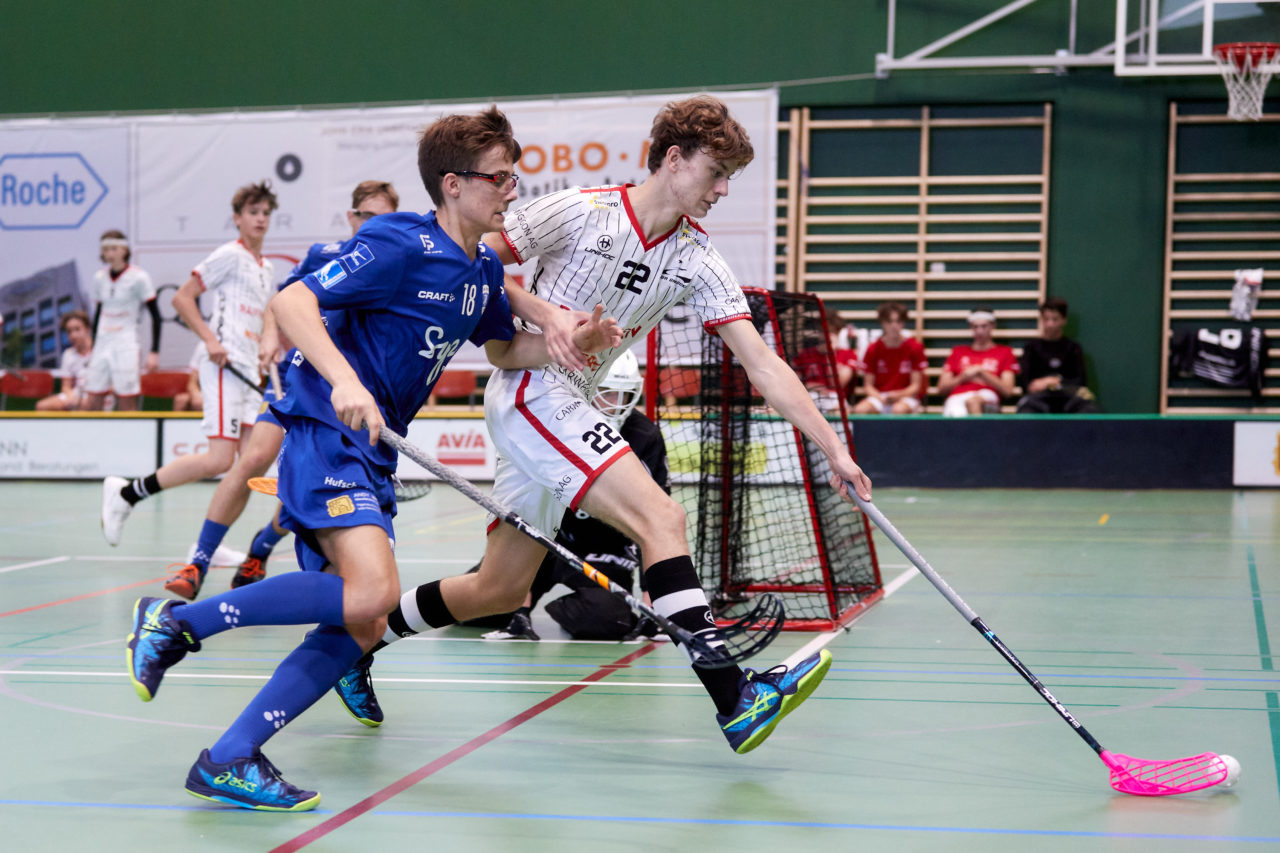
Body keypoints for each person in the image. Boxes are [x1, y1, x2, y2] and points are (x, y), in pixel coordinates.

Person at [337, 95, 870, 756]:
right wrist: (548, 317)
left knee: (498, 587)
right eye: (716, 171)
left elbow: (763, 364)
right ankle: (734, 696)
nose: (724, 188)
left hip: (571, 405)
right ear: (673, 159)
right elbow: (467, 255)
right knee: (662, 520)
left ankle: (354, 642)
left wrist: (834, 452)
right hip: (534, 392)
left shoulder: (699, 260)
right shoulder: (582, 212)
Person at [124, 106, 619, 812]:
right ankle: (174, 623)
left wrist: (580, 342)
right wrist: (345, 378)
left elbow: (506, 349)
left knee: (358, 625)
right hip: (330, 431)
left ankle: (230, 755)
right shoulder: (398, 242)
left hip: (373, 453)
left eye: (516, 176)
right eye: (500, 178)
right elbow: (296, 302)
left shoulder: (478, 269)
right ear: (453, 184)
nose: (513, 190)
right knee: (373, 600)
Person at [166, 180, 403, 600]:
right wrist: (269, 335)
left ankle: (260, 548)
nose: (373, 224)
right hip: (298, 379)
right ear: (352, 218)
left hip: (346, 398)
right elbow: (283, 299)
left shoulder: (399, 269)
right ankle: (197, 562)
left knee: (304, 482)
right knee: (254, 456)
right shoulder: (324, 255)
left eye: (384, 218)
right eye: (366, 216)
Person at [99, 182, 280, 573]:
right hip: (222, 364)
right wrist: (211, 341)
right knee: (220, 457)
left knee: (251, 465)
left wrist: (268, 345)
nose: (261, 219)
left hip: (250, 370)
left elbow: (268, 315)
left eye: (266, 212)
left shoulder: (266, 269)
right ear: (237, 218)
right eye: (253, 212)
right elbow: (181, 297)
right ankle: (127, 493)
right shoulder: (229, 255)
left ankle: (207, 546)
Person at [82, 230, 160, 412]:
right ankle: (90, 439)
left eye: (114, 249)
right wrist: (93, 345)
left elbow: (156, 316)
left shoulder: (139, 277)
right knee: (92, 398)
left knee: (126, 398)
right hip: (102, 343)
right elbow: (99, 312)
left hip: (126, 343)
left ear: (124, 250)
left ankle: (130, 439)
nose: (109, 253)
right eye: (106, 249)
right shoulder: (99, 278)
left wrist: (154, 351)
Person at [1016, 298, 1100, 414]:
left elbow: (1081, 381)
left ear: (1064, 320)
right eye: (1046, 319)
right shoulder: (1031, 348)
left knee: (1091, 410)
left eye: (1055, 319)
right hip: (1039, 400)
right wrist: (1040, 383)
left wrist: (1056, 381)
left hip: (1069, 398)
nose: (1050, 324)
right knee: (1026, 412)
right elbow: (1024, 382)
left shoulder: (1073, 348)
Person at [937, 306, 1018, 417]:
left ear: (993, 326)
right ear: (970, 327)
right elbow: (941, 389)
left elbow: (1008, 391)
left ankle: (978, 432)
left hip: (987, 396)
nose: (979, 331)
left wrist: (981, 372)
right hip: (957, 397)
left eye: (984, 326)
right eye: (975, 327)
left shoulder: (1005, 352)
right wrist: (964, 376)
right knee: (956, 413)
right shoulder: (958, 351)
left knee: (973, 402)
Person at [853, 301, 927, 415]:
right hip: (880, 397)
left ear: (903, 323)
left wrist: (898, 395)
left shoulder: (915, 347)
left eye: (898, 321)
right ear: (882, 323)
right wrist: (881, 397)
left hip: (905, 397)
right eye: (889, 321)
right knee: (860, 410)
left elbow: (916, 385)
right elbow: (868, 386)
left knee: (898, 410)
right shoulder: (873, 348)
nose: (894, 326)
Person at [35, 311, 94, 411]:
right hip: (77, 394)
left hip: (97, 395)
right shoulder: (68, 354)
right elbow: (65, 387)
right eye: (69, 331)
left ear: (88, 329)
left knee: (84, 404)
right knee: (41, 406)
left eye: (77, 329)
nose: (73, 335)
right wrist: (72, 397)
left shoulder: (100, 351)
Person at [172, 344, 205, 412]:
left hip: (224, 394)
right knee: (181, 400)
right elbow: (192, 383)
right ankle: (175, 422)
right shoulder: (202, 346)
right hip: (205, 393)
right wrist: (197, 396)